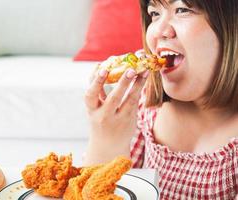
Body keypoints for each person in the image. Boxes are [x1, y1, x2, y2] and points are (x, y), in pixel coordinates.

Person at [83, 0, 238, 199]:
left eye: (182, 10)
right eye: (154, 14)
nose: (158, 31)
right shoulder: (143, 107)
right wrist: (105, 140)